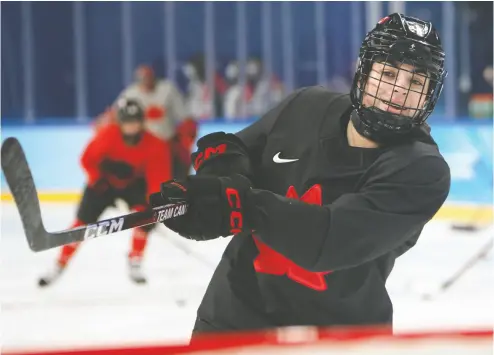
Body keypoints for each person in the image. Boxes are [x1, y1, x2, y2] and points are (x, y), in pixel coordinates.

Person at [151, 13, 451, 337]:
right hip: (233, 323)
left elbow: (328, 241)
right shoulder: (306, 106)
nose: (399, 92)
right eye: (389, 73)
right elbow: (230, 148)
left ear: (429, 93)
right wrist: (216, 184)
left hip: (341, 340)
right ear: (364, 72)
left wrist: (241, 206)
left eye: (417, 82)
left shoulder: (422, 170)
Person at [38, 99, 172, 287]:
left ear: (142, 122)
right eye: (127, 122)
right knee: (80, 225)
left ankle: (135, 260)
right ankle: (59, 265)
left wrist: (153, 207)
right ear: (120, 122)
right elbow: (86, 159)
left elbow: (158, 178)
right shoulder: (108, 135)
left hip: (133, 185)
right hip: (103, 184)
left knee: (144, 216)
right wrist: (98, 178)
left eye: (135, 121)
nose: (131, 126)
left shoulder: (155, 144)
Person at [95, 64, 197, 180]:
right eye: (143, 79)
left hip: (169, 144)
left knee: (176, 176)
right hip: (144, 146)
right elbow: (114, 115)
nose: (146, 82)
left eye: (149, 78)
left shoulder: (168, 90)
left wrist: (186, 139)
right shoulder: (130, 94)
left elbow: (185, 117)